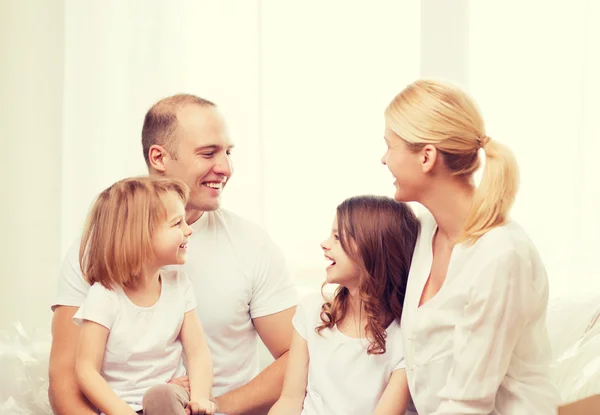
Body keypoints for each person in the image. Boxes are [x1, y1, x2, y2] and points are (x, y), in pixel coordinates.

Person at [49, 94, 298, 415]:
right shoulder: (97, 251)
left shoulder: (252, 245)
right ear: (159, 157)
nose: (225, 168)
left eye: (228, 152)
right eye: (209, 153)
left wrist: (210, 408)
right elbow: (66, 380)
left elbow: (298, 355)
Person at [381, 79, 560, 414]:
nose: (382, 158)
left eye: (389, 145)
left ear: (426, 157)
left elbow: (468, 403)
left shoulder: (501, 256)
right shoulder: (425, 230)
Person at [74, 176, 216, 415]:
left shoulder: (179, 284)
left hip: (173, 399)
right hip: (124, 407)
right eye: (177, 223)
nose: (189, 230)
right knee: (157, 396)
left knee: (160, 395)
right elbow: (86, 369)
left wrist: (200, 398)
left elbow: (198, 351)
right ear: (140, 235)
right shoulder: (104, 296)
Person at [268, 195, 419, 415]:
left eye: (337, 237)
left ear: (372, 250)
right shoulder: (311, 310)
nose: (324, 243)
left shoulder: (406, 338)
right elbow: (289, 400)